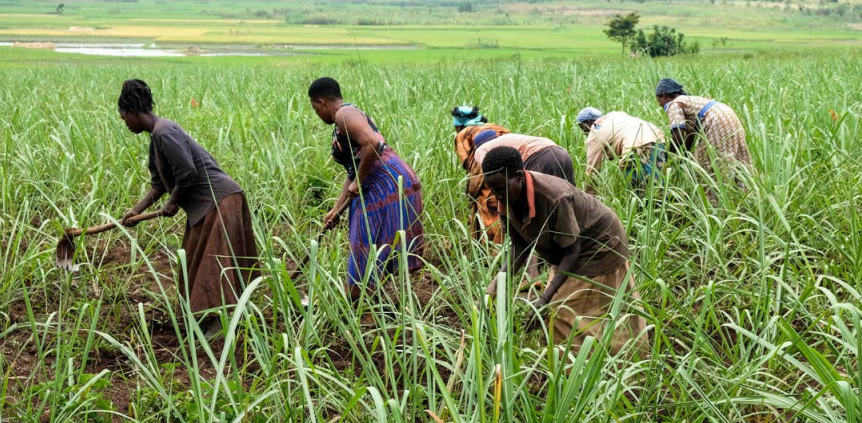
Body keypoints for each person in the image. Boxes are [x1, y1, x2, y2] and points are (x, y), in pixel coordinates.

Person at [117, 79, 258, 338]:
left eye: (124, 117)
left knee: (213, 264)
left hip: (220, 201)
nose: (125, 123)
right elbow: (159, 184)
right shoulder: (155, 138)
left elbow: (187, 173)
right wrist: (136, 211)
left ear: (134, 112)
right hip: (204, 208)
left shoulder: (164, 131)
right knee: (191, 262)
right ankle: (200, 318)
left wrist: (173, 202)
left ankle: (221, 321)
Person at [482, 146, 646, 355]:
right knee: (563, 310)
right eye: (493, 190)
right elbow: (520, 247)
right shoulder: (507, 198)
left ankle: (604, 365)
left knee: (564, 313)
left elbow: (572, 252)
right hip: (566, 249)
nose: (498, 196)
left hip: (598, 244)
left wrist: (544, 299)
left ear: (519, 177)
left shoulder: (554, 197)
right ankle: (575, 364)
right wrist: (494, 289)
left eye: (501, 189)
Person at [309, 77, 424, 301]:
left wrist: (358, 182)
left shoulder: (343, 114)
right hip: (377, 181)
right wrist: (336, 208)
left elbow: (373, 144)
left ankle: (358, 300)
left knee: (364, 242)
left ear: (322, 102)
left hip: (386, 182)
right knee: (368, 242)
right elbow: (354, 169)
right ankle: (365, 299)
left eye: (315, 109)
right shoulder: (343, 119)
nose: (318, 114)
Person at [655, 78, 752, 200]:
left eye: (658, 100)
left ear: (664, 96)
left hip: (716, 122)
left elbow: (678, 133)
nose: (659, 104)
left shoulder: (675, 104)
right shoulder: (690, 101)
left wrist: (668, 155)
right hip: (729, 116)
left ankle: (716, 205)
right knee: (738, 162)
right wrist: (683, 156)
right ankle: (747, 199)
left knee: (711, 166)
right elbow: (690, 136)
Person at [451, 106, 510, 243]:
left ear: (460, 126)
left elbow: (470, 166)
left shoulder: (462, 135)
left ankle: (492, 255)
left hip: (486, 174)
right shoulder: (498, 128)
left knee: (488, 212)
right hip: (510, 172)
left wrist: (471, 194)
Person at [576, 107, 666, 190]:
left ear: (589, 123)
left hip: (636, 146)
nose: (584, 132)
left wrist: (589, 196)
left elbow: (592, 169)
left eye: (582, 127)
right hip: (657, 137)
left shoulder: (595, 131)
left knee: (639, 190)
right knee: (659, 185)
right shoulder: (615, 116)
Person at [471, 130, 576, 185]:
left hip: (540, 157)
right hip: (561, 153)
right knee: (570, 196)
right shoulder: (507, 138)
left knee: (540, 200)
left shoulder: (481, 149)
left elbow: (490, 170)